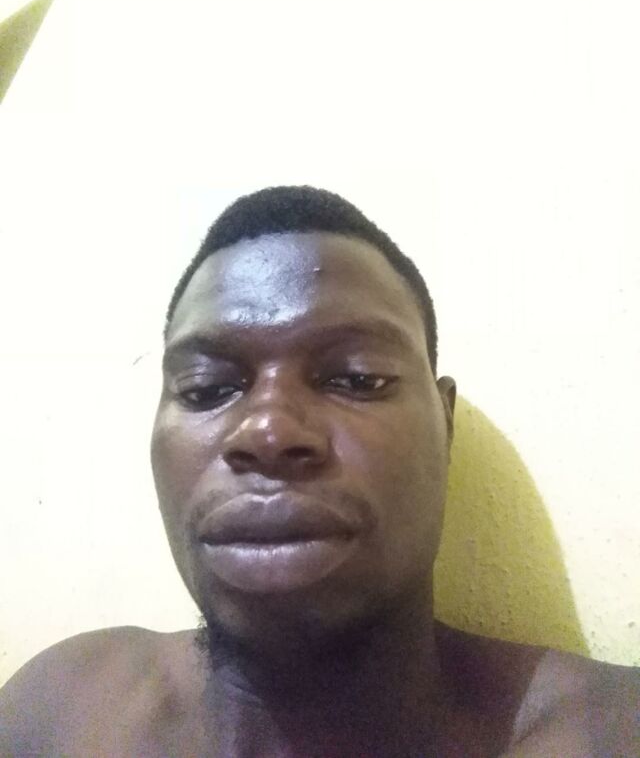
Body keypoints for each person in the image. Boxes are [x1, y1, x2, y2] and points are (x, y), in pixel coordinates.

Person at [1, 186, 637, 757]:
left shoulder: (608, 731)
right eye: (206, 389)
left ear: (445, 423)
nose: (269, 431)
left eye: (356, 378)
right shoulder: (59, 709)